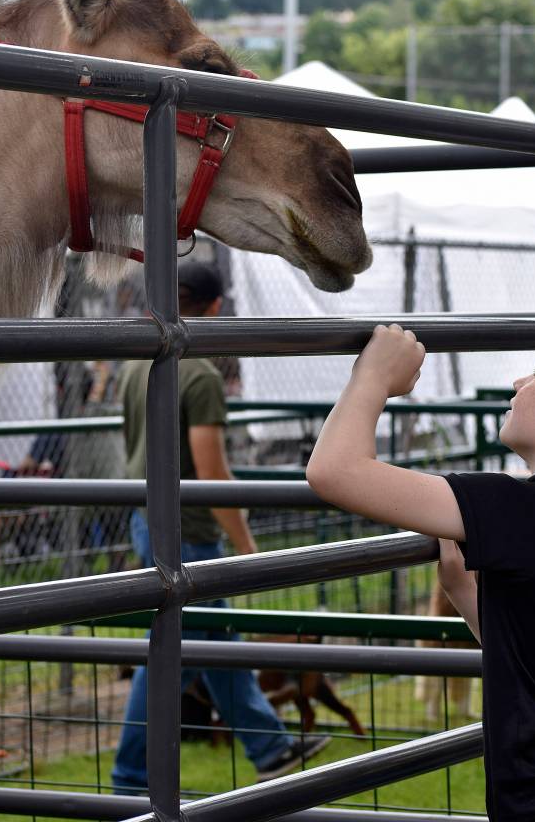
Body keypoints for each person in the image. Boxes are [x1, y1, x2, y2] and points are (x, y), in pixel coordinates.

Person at [306, 320, 535, 822]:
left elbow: (335, 471)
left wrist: (373, 375)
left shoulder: (526, 509)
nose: (520, 385)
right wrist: (461, 588)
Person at [112, 261, 329, 793]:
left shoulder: (134, 363)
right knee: (174, 653)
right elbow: (211, 471)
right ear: (213, 308)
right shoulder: (200, 373)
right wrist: (247, 544)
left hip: (149, 519)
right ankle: (130, 773)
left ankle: (270, 747)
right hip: (190, 529)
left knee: (209, 643)